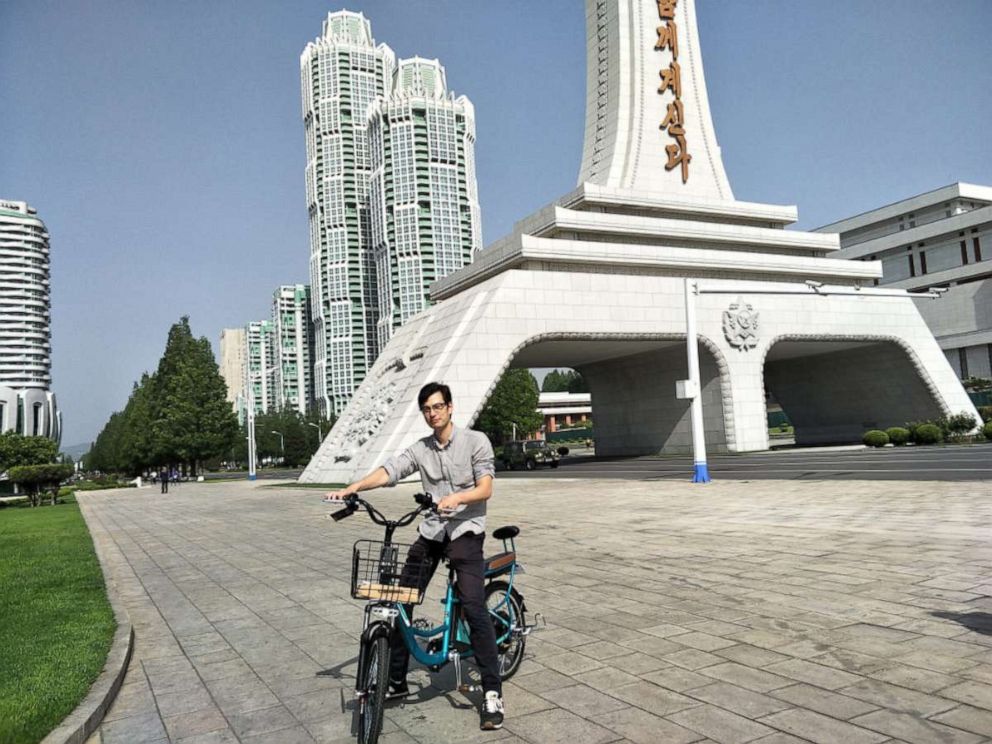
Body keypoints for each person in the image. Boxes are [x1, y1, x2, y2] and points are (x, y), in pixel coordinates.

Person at [324, 381, 504, 731]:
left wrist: (458, 498)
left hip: (466, 530)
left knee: (473, 605)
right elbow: (390, 471)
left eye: (438, 407)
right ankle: (395, 680)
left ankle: (492, 691)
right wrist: (354, 487)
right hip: (432, 531)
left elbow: (486, 488)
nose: (432, 413)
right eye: (427, 409)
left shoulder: (475, 441)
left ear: (450, 407)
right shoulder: (421, 449)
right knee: (400, 599)